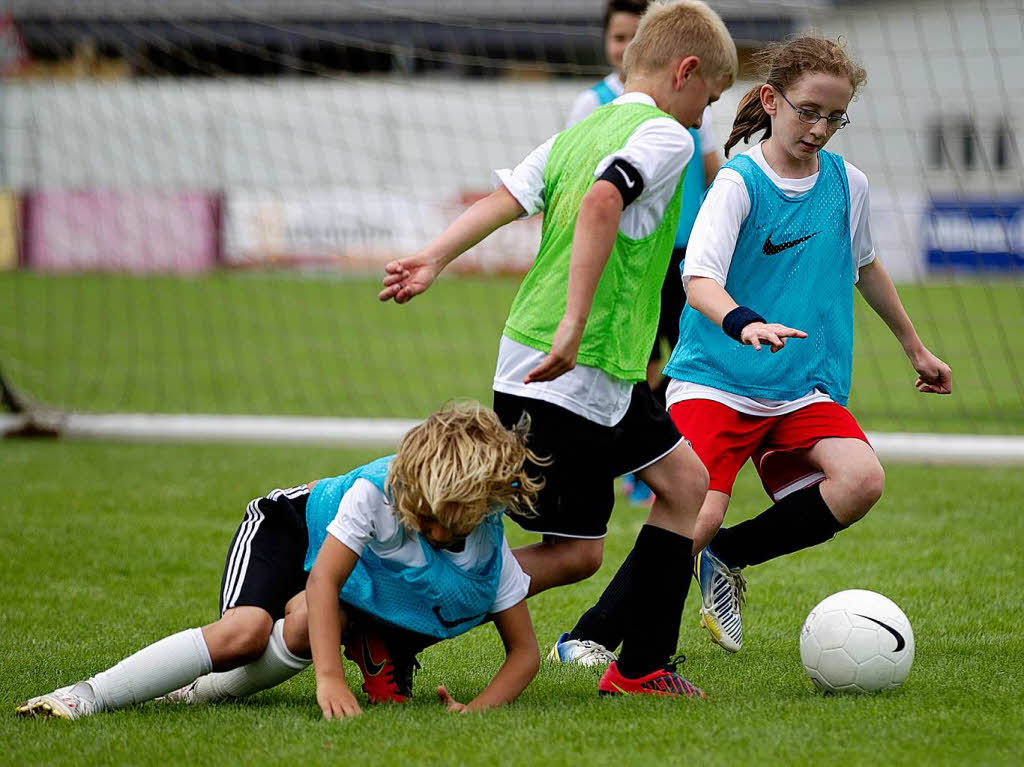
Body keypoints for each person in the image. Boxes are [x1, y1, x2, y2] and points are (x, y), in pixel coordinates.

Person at [379, 0, 737, 697]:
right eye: (709, 98)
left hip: (573, 370)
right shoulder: (668, 137)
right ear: (684, 72)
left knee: (686, 485)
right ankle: (398, 626)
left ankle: (641, 666)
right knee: (574, 554)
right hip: (570, 367)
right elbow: (605, 201)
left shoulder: (583, 129)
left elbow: (505, 198)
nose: (704, 116)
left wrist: (432, 257)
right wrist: (575, 321)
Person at [658, 35, 952, 653]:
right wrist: (745, 322)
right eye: (808, 111)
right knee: (694, 514)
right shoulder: (739, 182)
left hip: (798, 388)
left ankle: (729, 557)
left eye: (834, 117)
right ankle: (602, 634)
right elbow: (699, 278)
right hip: (718, 377)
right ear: (770, 99)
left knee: (861, 479)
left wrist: (915, 349)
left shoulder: (850, 184)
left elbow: (865, 266)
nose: (820, 128)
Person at [16, 402, 543, 720]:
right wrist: (328, 679)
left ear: (480, 508)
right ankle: (85, 695)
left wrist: (473, 712)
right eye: (419, 514)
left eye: (440, 525)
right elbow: (323, 581)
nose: (425, 529)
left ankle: (192, 693)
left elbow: (524, 654)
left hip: (340, 575)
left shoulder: (486, 551)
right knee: (244, 632)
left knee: (306, 626)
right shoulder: (375, 492)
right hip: (288, 529)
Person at [567, 1, 725, 507]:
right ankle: (624, 457)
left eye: (633, 36)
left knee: (682, 361)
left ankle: (650, 457)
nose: (624, 47)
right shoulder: (594, 105)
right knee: (633, 358)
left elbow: (713, 164)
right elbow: (585, 189)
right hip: (625, 259)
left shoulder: (689, 102)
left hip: (684, 255)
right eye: (617, 37)